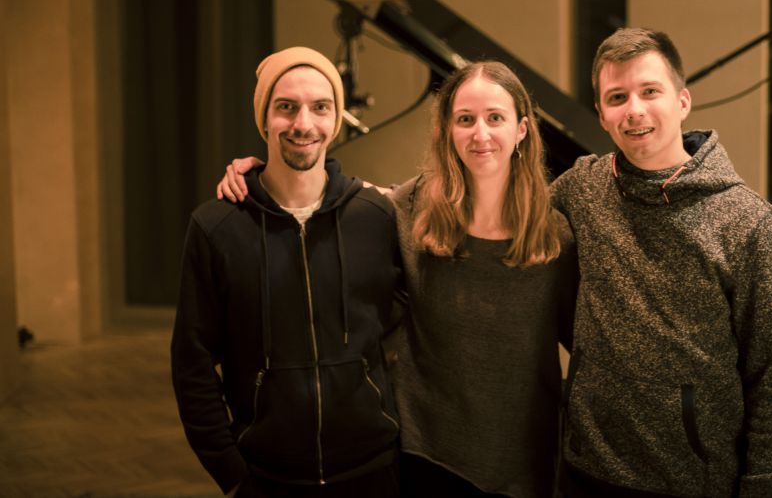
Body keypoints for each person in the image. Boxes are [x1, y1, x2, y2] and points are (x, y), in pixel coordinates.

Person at [217, 60, 578, 498]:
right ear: (448, 130)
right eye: (465, 119)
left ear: (521, 130)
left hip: (524, 461)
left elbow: (584, 346)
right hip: (424, 453)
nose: (480, 134)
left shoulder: (557, 235)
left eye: (495, 118)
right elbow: (320, 196)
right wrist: (260, 174)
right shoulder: (411, 207)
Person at [554, 28, 772, 497]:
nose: (634, 109)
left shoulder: (747, 219)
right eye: (617, 97)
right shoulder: (582, 187)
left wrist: (764, 486)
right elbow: (509, 218)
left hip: (694, 480)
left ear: (682, 101)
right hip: (586, 468)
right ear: (602, 115)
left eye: (650, 91)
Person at [172, 47, 404, 497]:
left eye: (320, 107)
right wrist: (229, 469)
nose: (303, 123)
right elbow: (191, 362)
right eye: (286, 107)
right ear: (264, 119)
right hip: (265, 478)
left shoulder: (375, 216)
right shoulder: (216, 227)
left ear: (335, 119)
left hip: (373, 471)